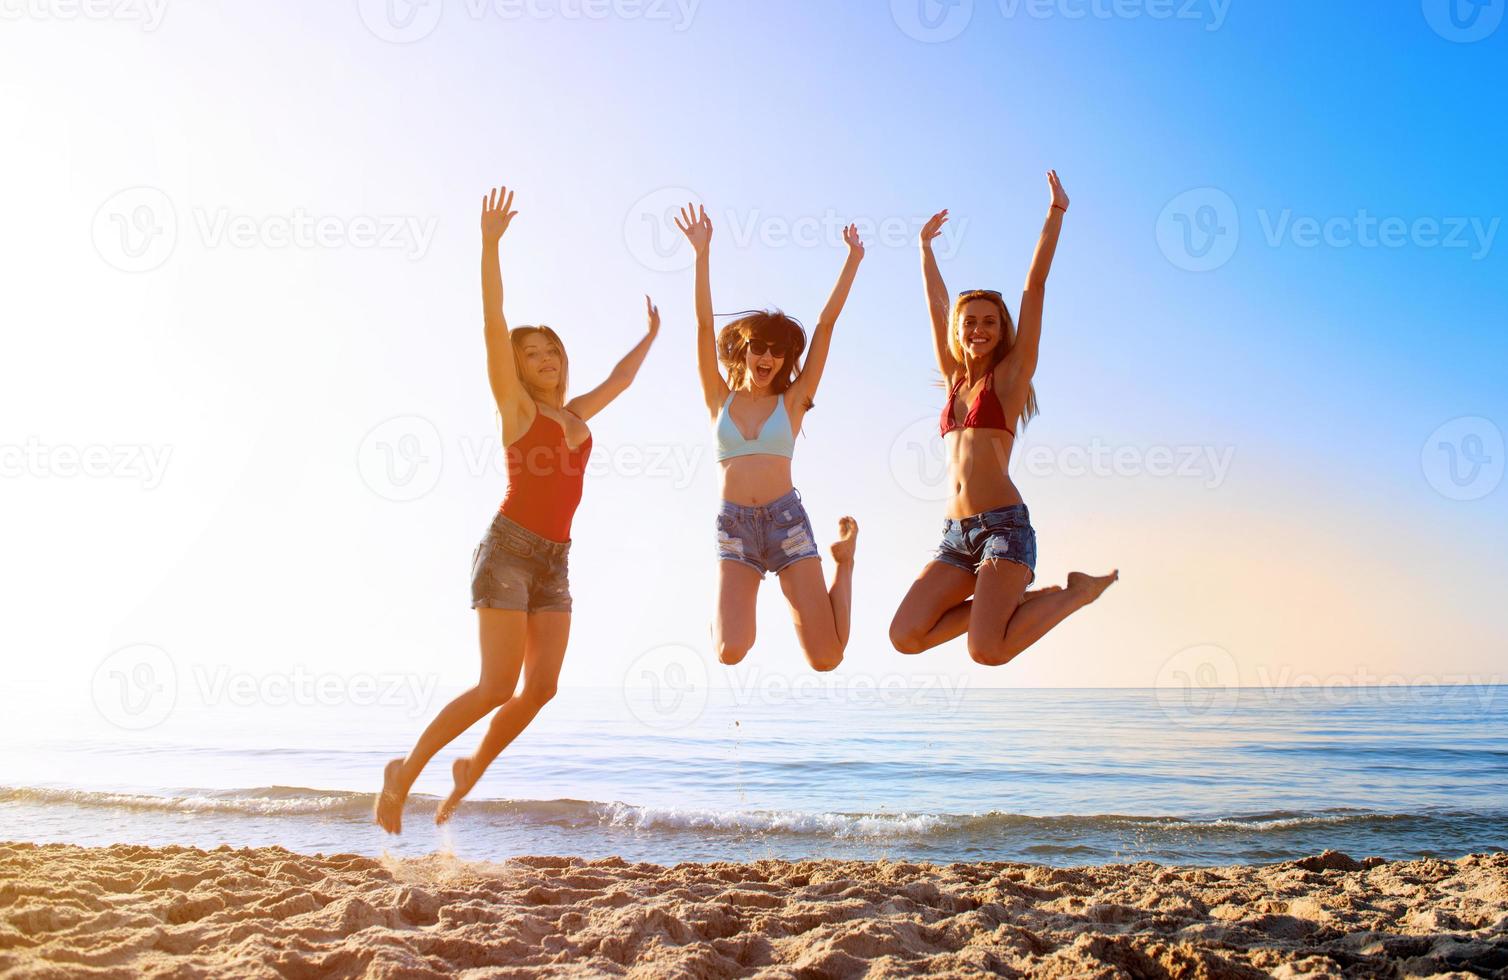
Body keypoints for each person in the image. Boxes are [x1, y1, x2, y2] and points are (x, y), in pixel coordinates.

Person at [375, 186, 659, 831]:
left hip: (555, 560)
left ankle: (469, 768)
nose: (545, 359)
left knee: (543, 688)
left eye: (552, 350)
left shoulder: (576, 414)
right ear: (518, 368)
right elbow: (491, 323)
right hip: (508, 550)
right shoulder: (517, 410)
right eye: (532, 354)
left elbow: (620, 379)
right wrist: (489, 246)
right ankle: (406, 771)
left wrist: (651, 334)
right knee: (496, 685)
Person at [889, 171, 1117, 666]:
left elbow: (1034, 287)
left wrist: (1056, 213)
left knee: (986, 650)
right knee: (905, 635)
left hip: (1003, 530)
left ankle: (1074, 594)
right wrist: (924, 250)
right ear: (959, 329)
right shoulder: (953, 379)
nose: (979, 329)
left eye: (989, 321)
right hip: (955, 536)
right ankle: (1012, 603)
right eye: (969, 321)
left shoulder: (1011, 377)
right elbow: (935, 307)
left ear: (1001, 328)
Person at [673, 203, 861, 672]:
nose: (769, 357)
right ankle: (722, 614)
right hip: (735, 528)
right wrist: (702, 254)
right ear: (745, 349)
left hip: (787, 524)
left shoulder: (792, 402)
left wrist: (853, 260)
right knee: (730, 651)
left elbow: (826, 326)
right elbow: (701, 325)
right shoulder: (719, 398)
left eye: (778, 352)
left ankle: (845, 562)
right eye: (760, 347)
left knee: (826, 658)